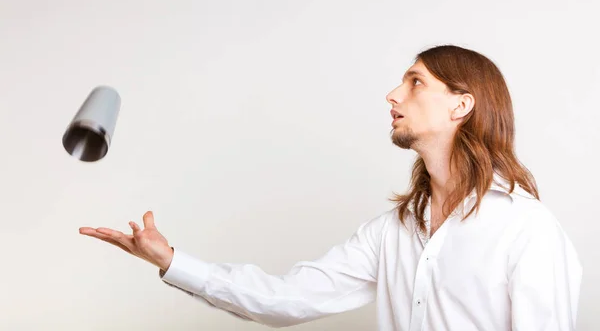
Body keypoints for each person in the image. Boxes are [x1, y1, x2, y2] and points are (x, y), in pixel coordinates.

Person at [80, 44, 582, 330]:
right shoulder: (394, 233)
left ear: (461, 105)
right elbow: (284, 298)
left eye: (415, 82)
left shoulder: (526, 230)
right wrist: (172, 261)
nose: (393, 94)